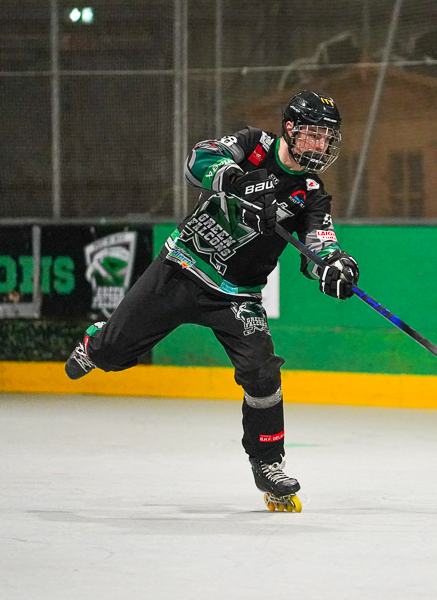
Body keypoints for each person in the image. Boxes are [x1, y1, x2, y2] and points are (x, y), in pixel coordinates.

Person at [64, 90, 360, 512]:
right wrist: (237, 182)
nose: (320, 145)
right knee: (112, 354)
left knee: (262, 372)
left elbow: (319, 245)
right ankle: (97, 343)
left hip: (236, 296)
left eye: (327, 138)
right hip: (182, 267)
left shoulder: (311, 193)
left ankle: (268, 463)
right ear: (290, 129)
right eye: (313, 134)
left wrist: (333, 267)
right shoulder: (253, 145)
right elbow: (198, 160)